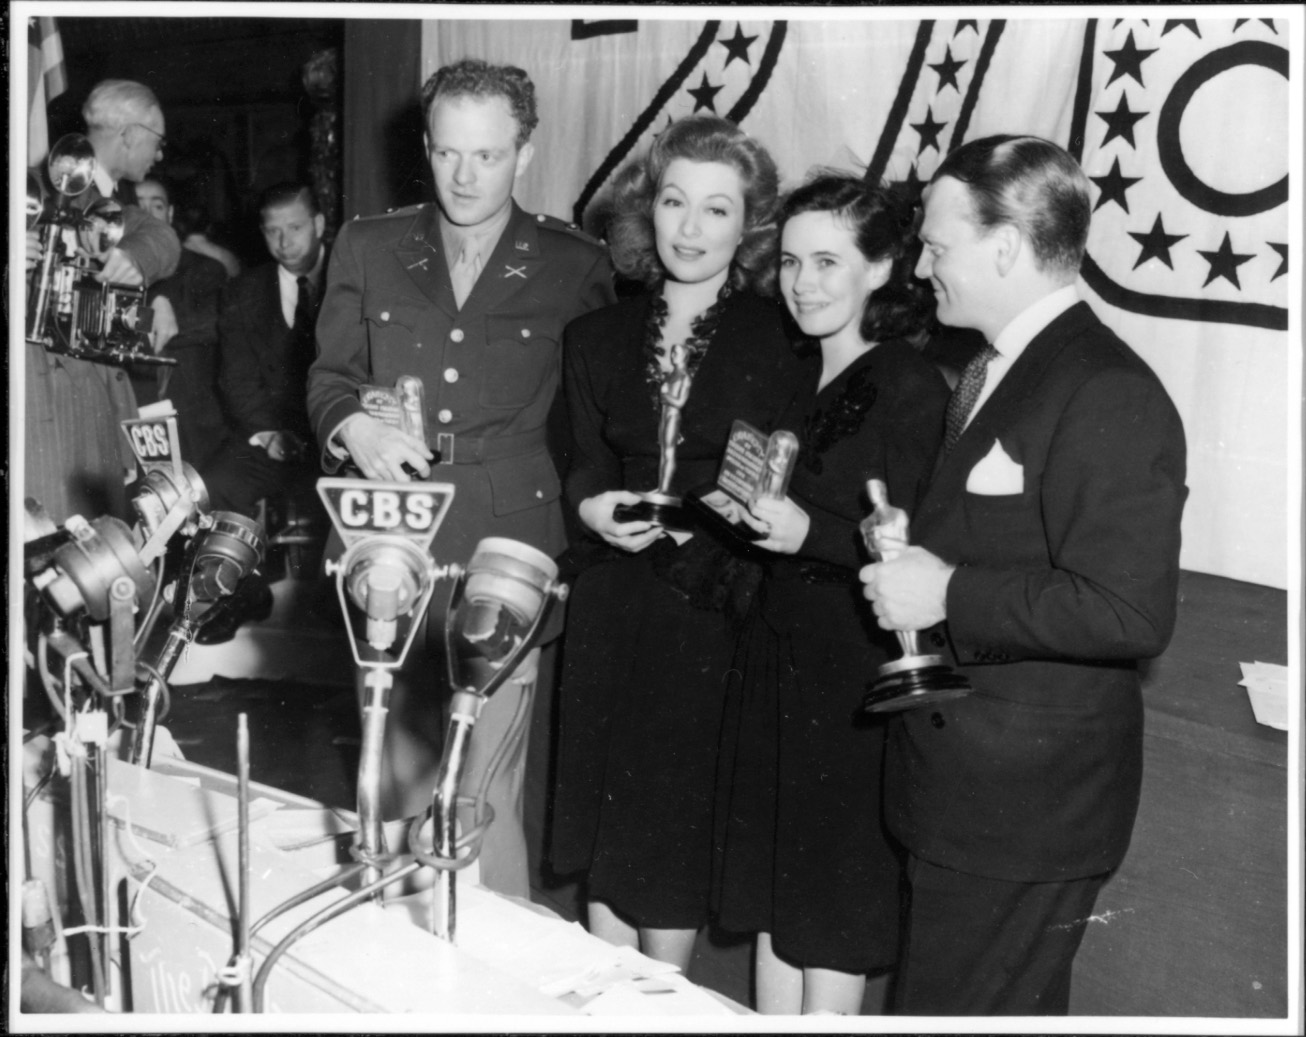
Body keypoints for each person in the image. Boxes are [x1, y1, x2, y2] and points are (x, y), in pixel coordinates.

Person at [859, 135, 1187, 1015]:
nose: (921, 267)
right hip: (976, 797)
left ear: (1004, 246)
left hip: (1022, 810)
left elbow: (1127, 609)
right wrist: (919, 543)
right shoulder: (999, 368)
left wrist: (947, 589)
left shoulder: (1105, 386)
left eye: (936, 244)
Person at [307, 59, 615, 899]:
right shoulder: (369, 245)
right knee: (396, 780)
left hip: (507, 545)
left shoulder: (571, 264)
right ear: (427, 148)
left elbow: (592, 419)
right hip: (388, 539)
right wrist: (353, 425)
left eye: (487, 154)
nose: (465, 176)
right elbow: (328, 376)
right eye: (447, 154)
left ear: (525, 151)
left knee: (480, 791)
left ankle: (493, 979)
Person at [550, 114, 802, 970]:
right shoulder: (594, 337)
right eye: (673, 201)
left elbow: (775, 484)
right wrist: (589, 510)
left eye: (717, 210)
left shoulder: (782, 343)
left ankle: (663, 1001)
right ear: (644, 209)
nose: (690, 229)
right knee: (608, 833)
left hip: (710, 609)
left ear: (750, 225)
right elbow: (581, 460)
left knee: (670, 839)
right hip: (611, 602)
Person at [712, 174, 949, 1014]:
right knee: (780, 895)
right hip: (778, 655)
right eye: (789, 262)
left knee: (829, 906)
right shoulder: (799, 373)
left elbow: (915, 549)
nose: (803, 281)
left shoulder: (909, 385)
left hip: (852, 670)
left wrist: (802, 533)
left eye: (827, 261)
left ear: (882, 269)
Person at [25, 79, 180, 524]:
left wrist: (137, 260)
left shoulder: (110, 200)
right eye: (157, 139)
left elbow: (161, 240)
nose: (161, 153)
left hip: (97, 404)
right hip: (50, 410)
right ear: (129, 134)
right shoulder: (40, 189)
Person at [192, 181, 328, 645]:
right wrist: (268, 433)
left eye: (295, 228)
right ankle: (241, 593)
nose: (285, 242)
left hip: (338, 440)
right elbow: (236, 380)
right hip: (269, 437)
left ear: (319, 225)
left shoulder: (355, 279)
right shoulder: (243, 292)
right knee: (218, 485)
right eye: (273, 232)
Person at [130, 176, 230, 469]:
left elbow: (208, 326)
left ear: (170, 214)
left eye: (156, 206)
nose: (147, 215)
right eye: (137, 207)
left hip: (191, 419)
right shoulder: (114, 269)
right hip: (131, 408)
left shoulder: (205, 269)